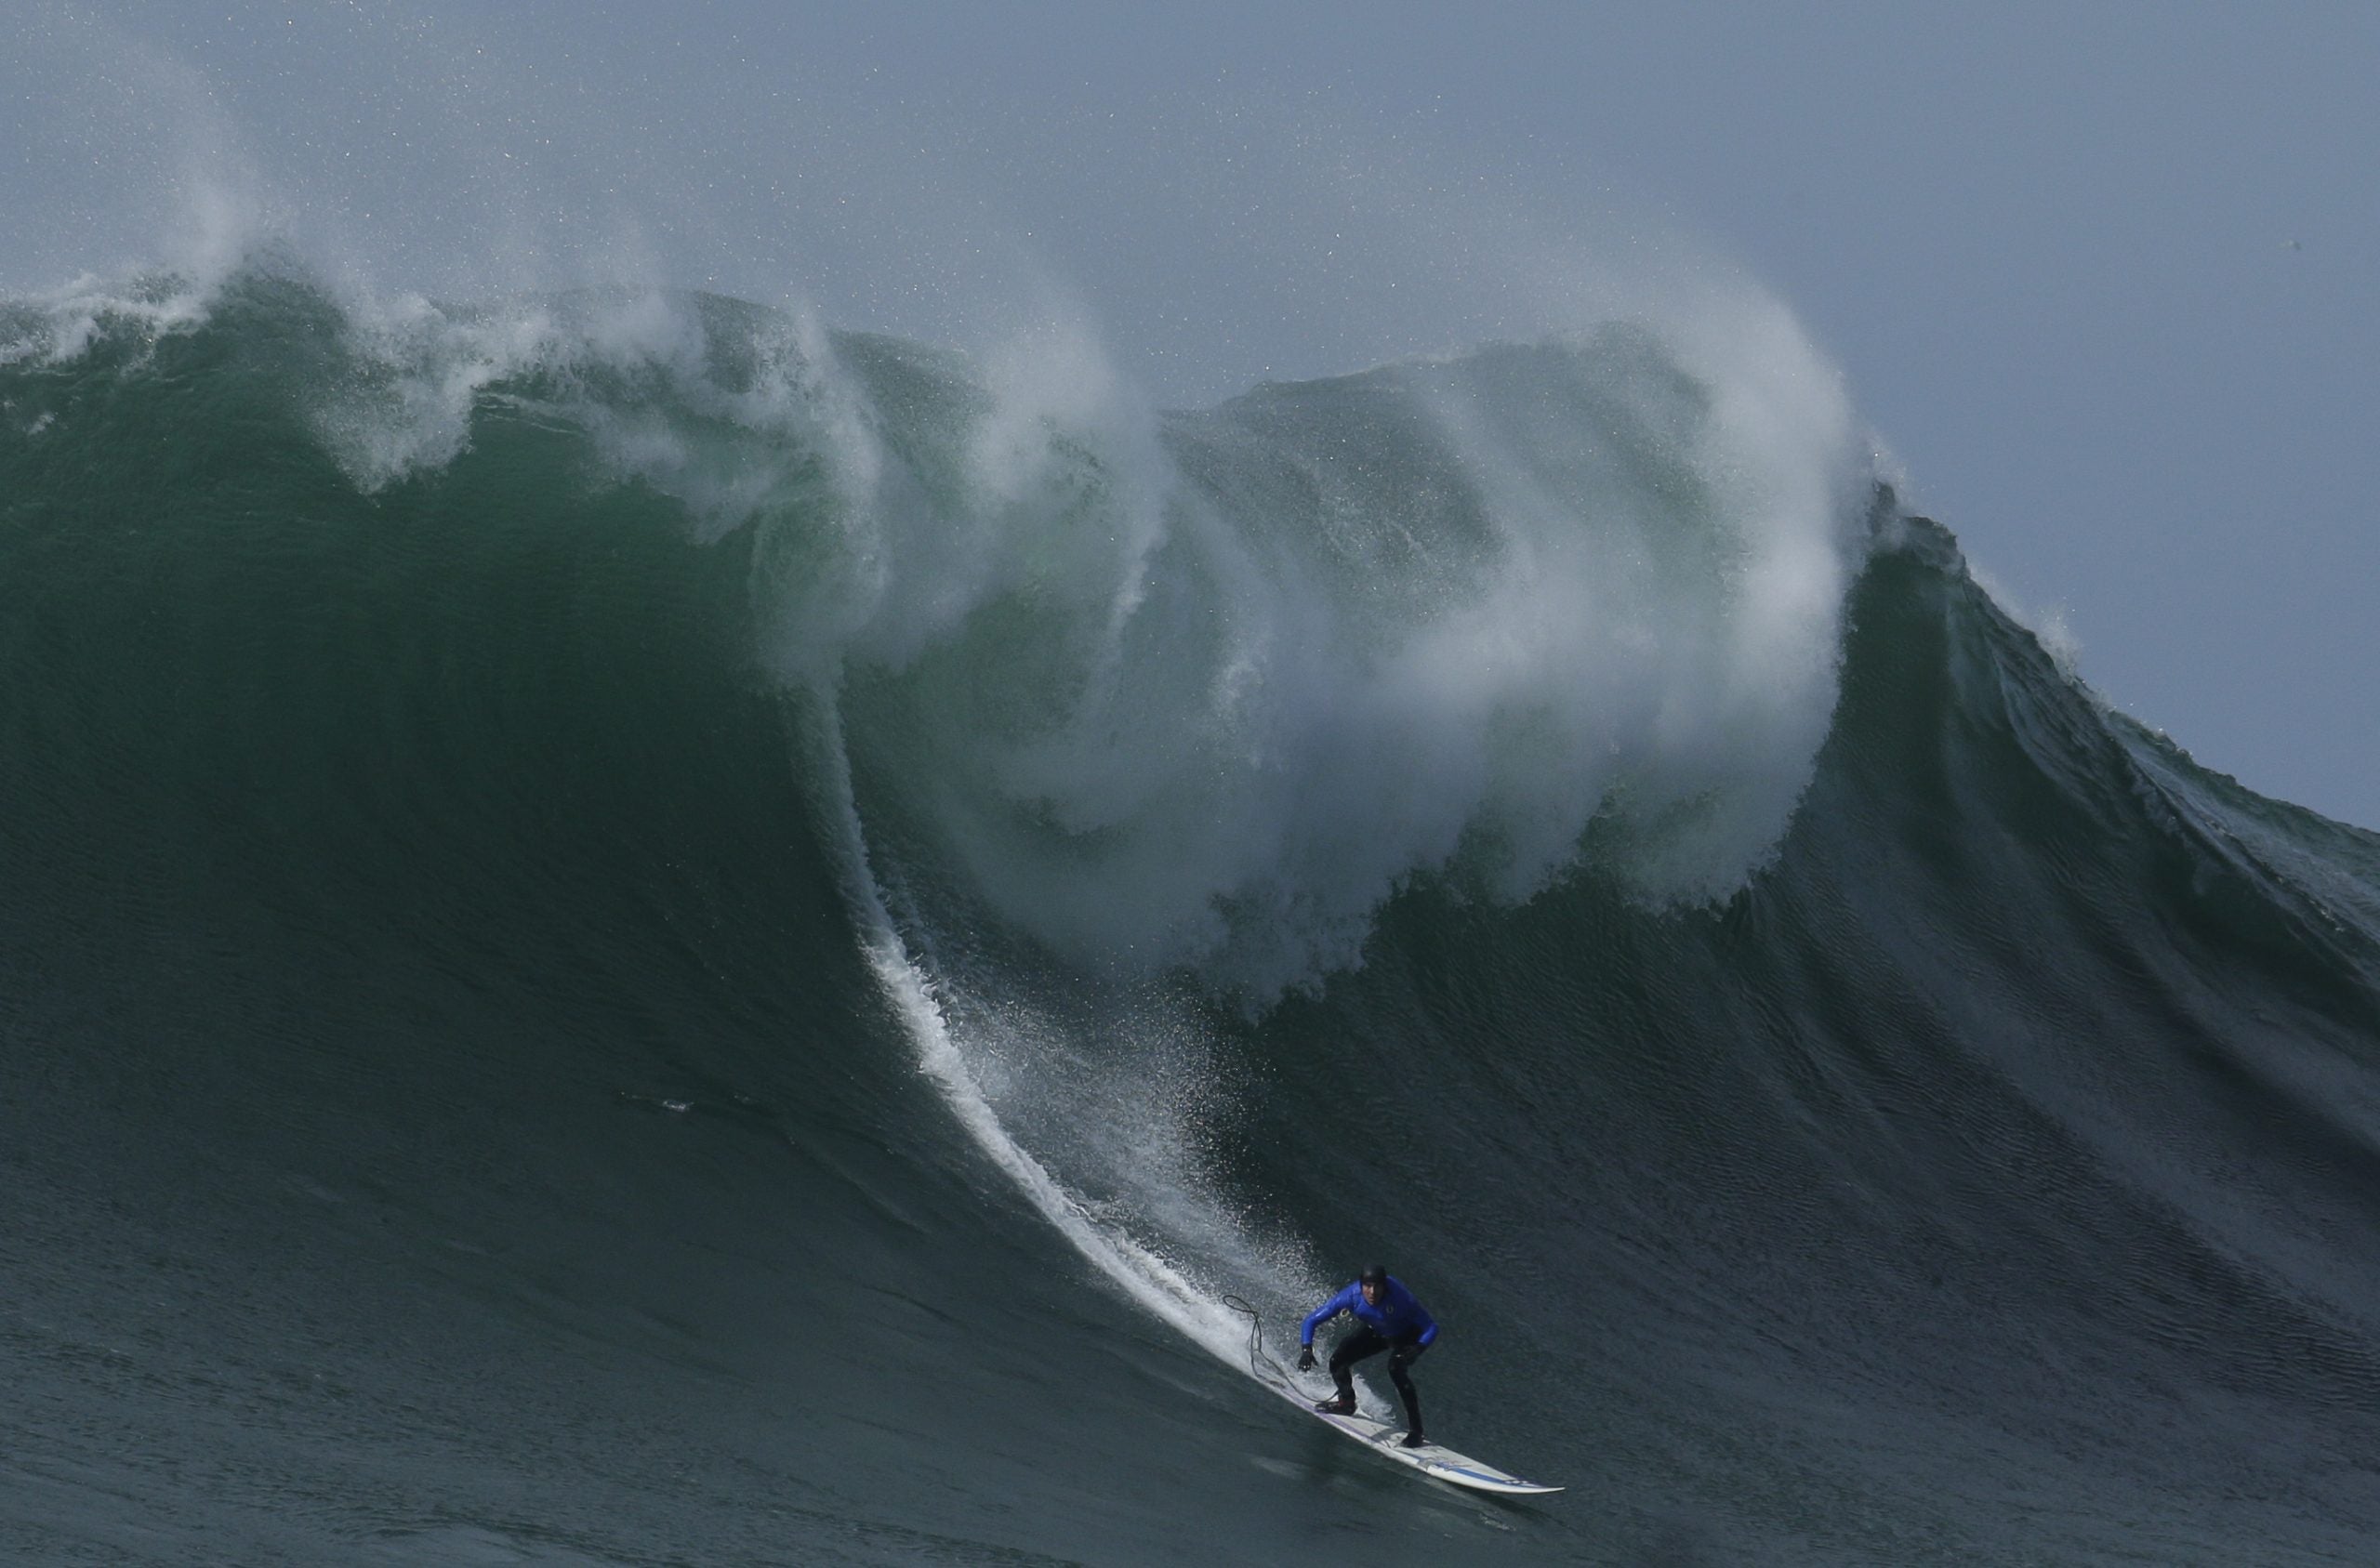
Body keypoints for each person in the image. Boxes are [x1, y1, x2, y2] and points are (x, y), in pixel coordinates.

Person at [1296, 1263, 1437, 1448]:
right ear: (1361, 1285)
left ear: (1385, 1286)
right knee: (1338, 1360)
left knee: (1396, 1369)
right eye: (1367, 1286)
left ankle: (1416, 1432)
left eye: (1377, 1286)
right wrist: (1307, 1349)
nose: (1372, 1292)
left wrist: (1419, 1347)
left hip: (1408, 1336)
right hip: (1377, 1332)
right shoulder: (1350, 1297)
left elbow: (1431, 1327)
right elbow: (1311, 1320)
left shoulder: (1400, 1297)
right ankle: (1346, 1402)